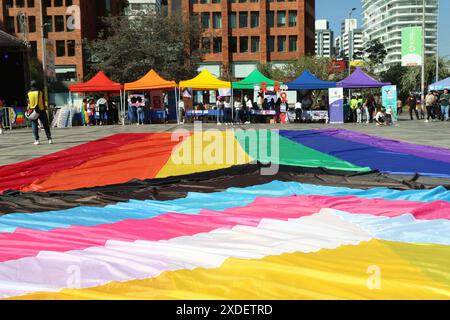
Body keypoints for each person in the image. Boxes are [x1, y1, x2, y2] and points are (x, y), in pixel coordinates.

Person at [27, 80, 52, 145]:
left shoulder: (29, 93)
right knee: (45, 125)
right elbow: (43, 101)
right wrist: (45, 107)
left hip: (33, 111)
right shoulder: (40, 92)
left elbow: (29, 102)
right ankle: (49, 139)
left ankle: (37, 140)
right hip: (41, 110)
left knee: (34, 125)